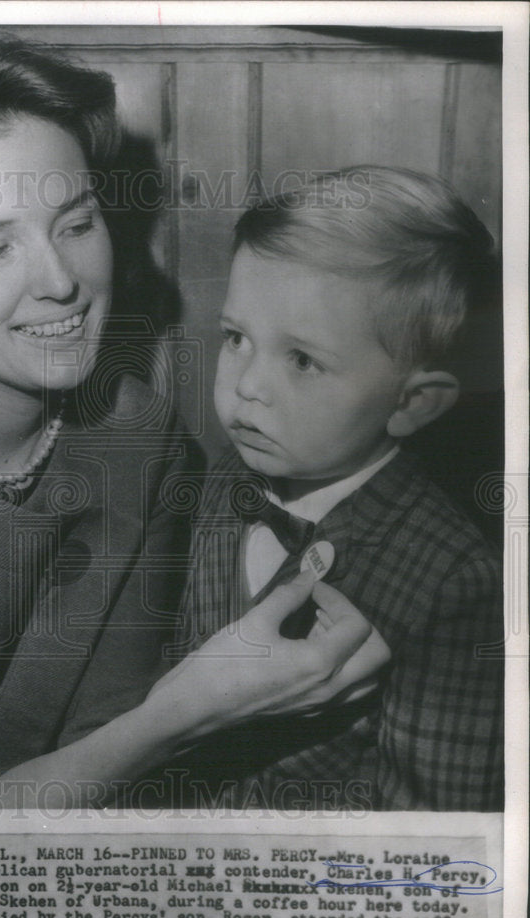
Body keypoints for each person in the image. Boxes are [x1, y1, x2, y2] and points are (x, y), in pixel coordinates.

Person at [0, 36, 386, 811]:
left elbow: (100, 744)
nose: (61, 283)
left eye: (76, 225)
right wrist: (193, 705)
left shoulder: (139, 438)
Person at [174, 166, 503, 810]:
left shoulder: (461, 580)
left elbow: (431, 840)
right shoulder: (221, 478)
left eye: (302, 360)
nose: (248, 386)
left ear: (412, 404)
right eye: (237, 339)